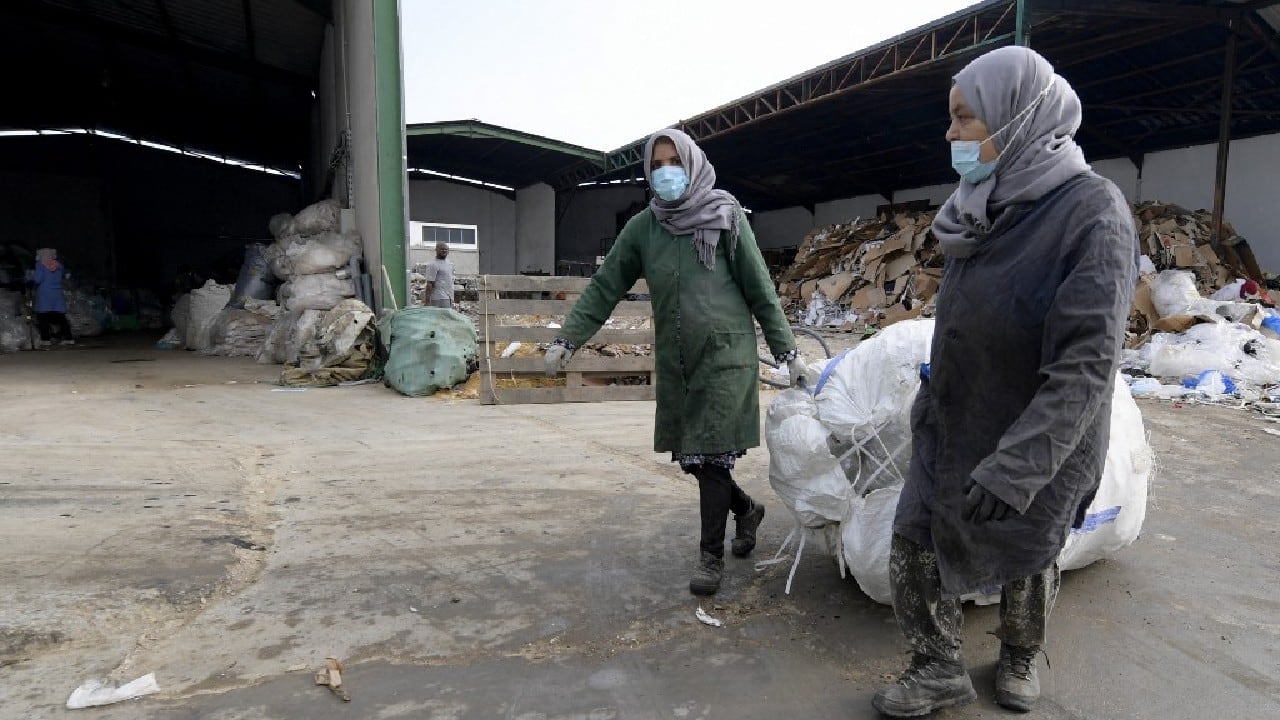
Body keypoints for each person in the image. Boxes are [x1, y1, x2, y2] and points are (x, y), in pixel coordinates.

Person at [871, 47, 1138, 717]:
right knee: (915, 539)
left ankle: (1018, 652)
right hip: (956, 414)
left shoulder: (1092, 214)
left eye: (964, 120)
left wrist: (1019, 466)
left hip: (1037, 431)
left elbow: (1086, 365)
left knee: (1027, 550)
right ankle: (935, 667)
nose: (950, 135)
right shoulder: (980, 207)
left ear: (1016, 120)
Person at [544, 128, 808, 596]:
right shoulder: (645, 228)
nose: (666, 172)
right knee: (695, 460)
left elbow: (759, 288)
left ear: (692, 163)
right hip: (679, 362)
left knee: (711, 456)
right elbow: (606, 286)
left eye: (674, 162)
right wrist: (569, 339)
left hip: (727, 358)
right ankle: (747, 511)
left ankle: (710, 559)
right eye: (657, 164)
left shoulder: (726, 217)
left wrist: (789, 352)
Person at [29, 248, 74, 347]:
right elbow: (64, 276)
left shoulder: (40, 265)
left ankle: (46, 339)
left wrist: (31, 276)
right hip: (57, 294)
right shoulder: (58, 265)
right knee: (61, 317)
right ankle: (68, 338)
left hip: (45, 294)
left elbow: (38, 279)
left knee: (43, 317)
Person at [423, 241, 455, 309]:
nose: (444, 251)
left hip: (448, 297)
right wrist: (427, 301)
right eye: (442, 249)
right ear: (436, 250)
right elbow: (429, 284)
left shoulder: (449, 264)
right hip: (438, 298)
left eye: (446, 249)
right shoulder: (433, 265)